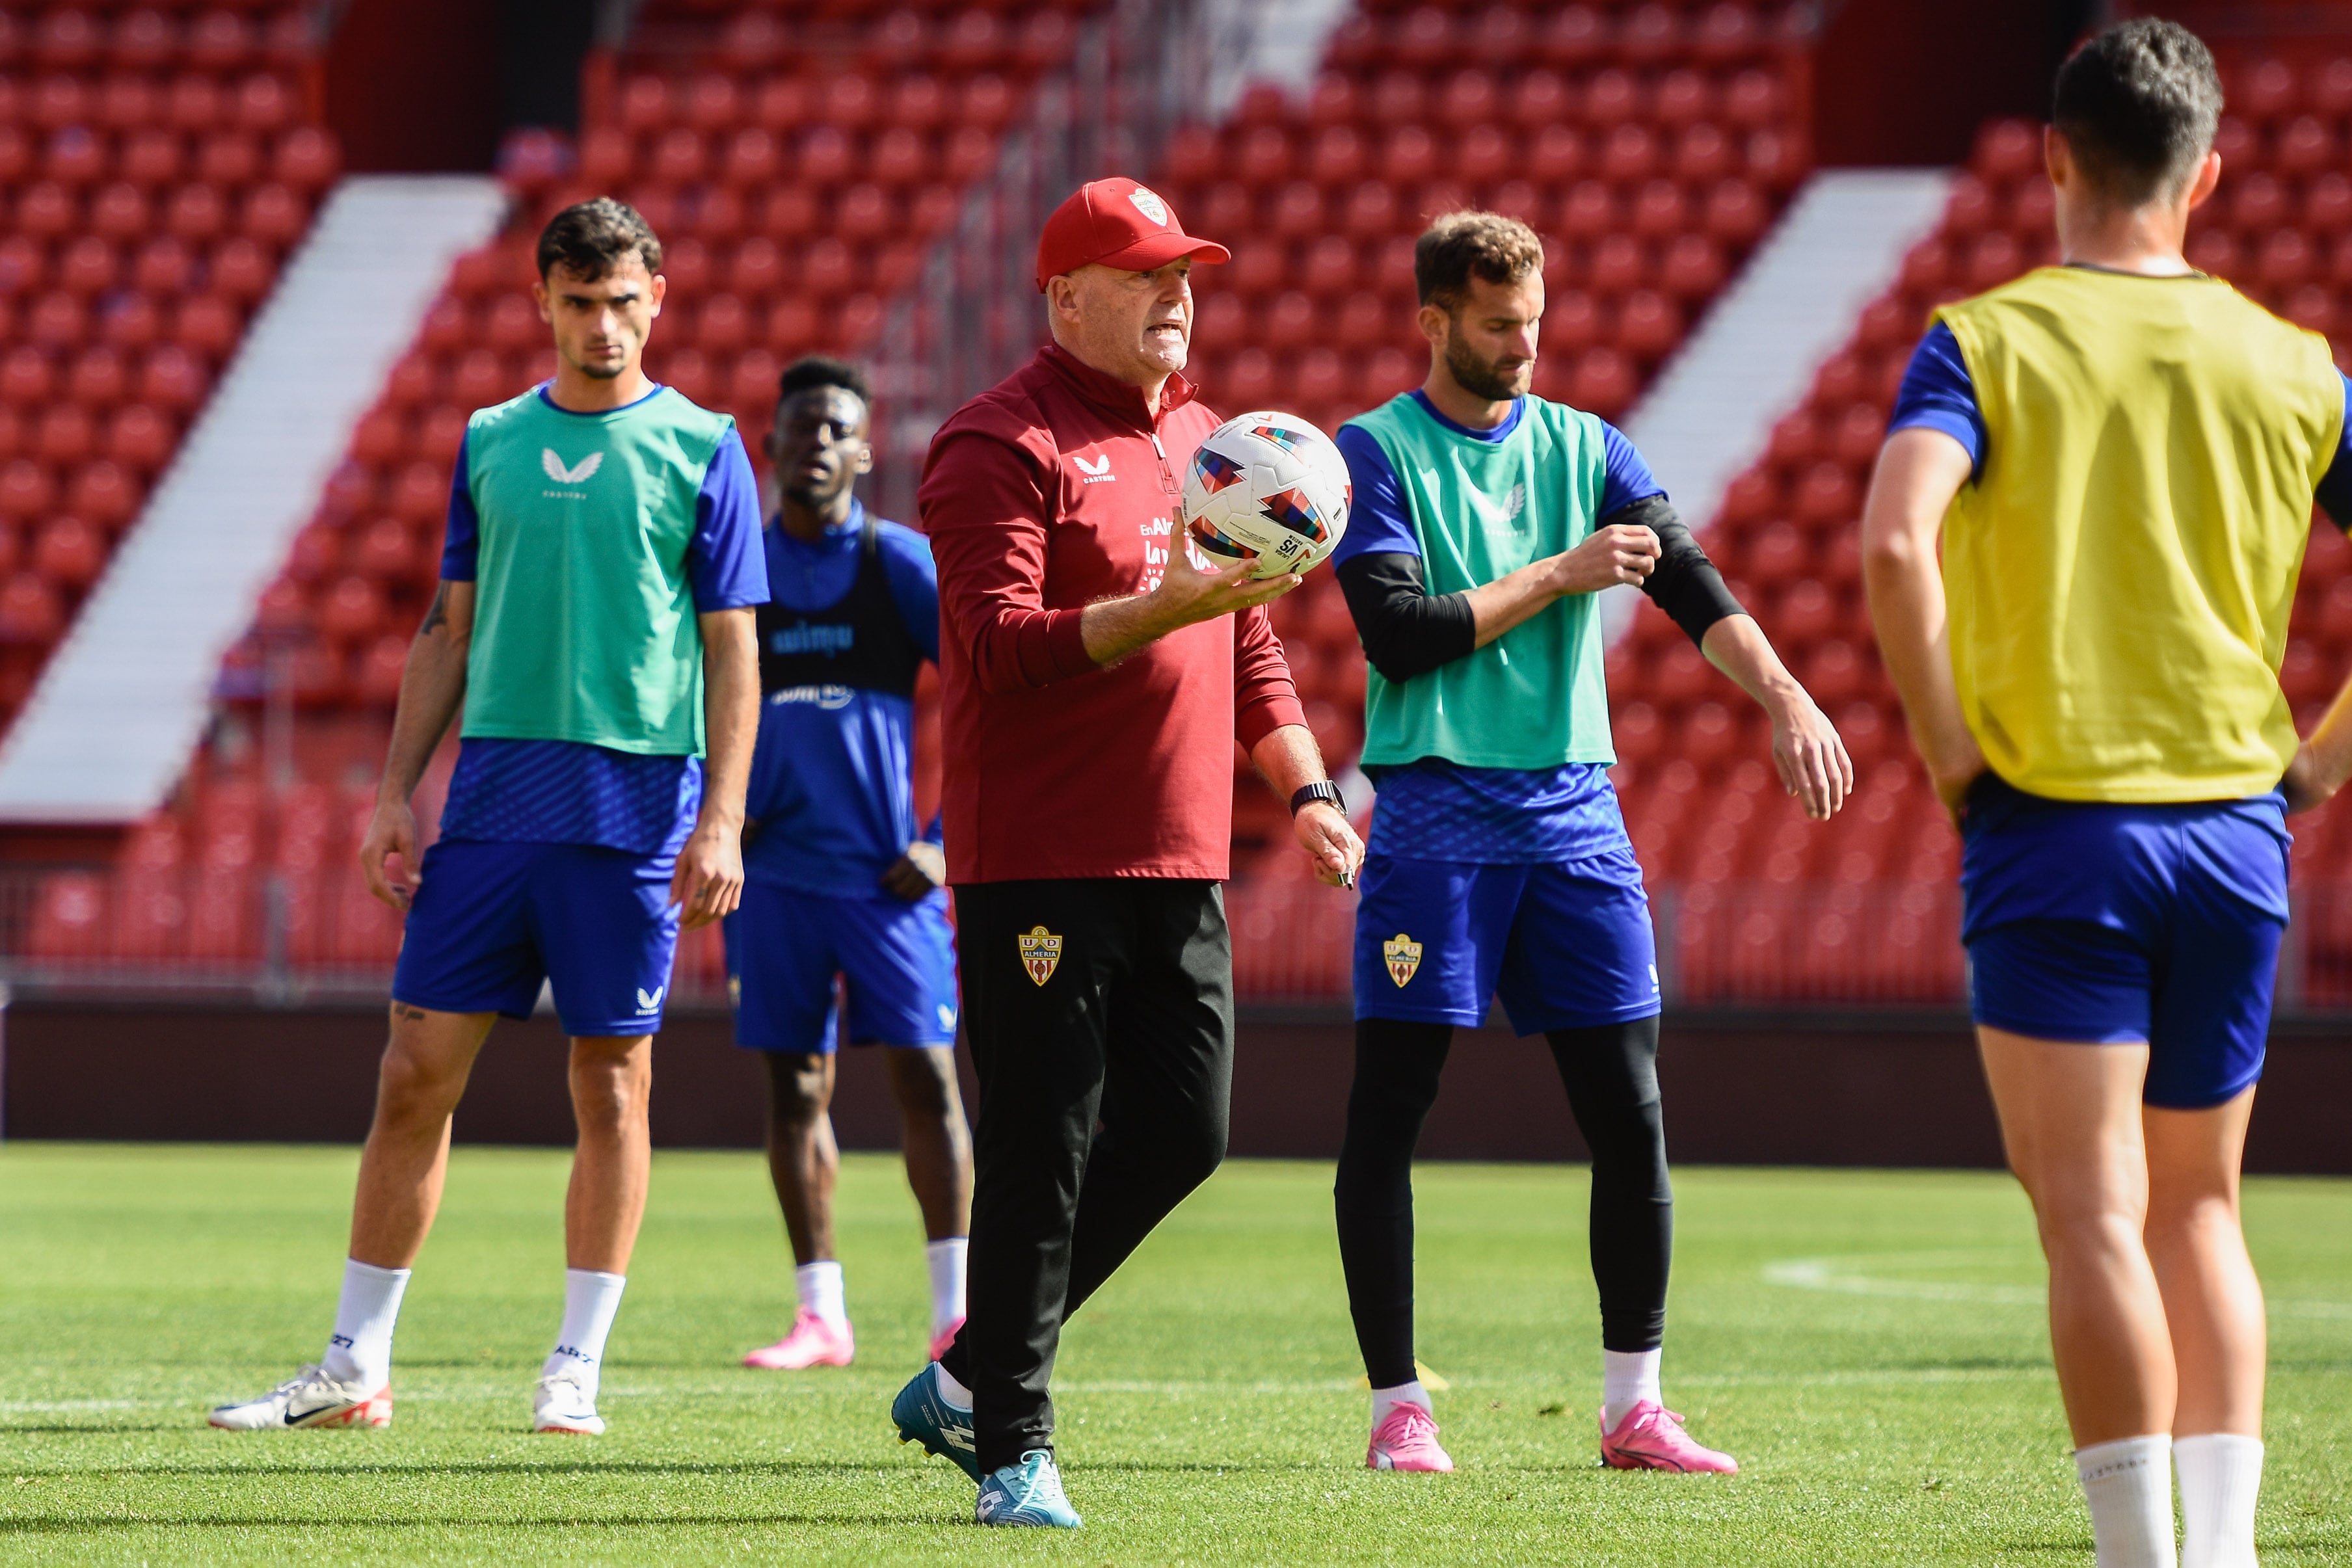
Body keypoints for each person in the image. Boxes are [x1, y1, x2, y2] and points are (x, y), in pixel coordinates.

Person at [1864, 21, 2352, 1568]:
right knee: (2199, 1209)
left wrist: (1949, 752)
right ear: (2205, 173)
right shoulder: (2293, 364)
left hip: (2055, 824)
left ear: (2054, 160)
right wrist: (2319, 765)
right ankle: (2222, 1555)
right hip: (2233, 826)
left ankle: (2138, 1562)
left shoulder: (1983, 341)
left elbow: (1889, 545)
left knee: (2090, 1214)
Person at [208, 198, 765, 1438]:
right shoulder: (491, 440)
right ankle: (356, 1364)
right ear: (542, 303)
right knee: (413, 1074)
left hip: (634, 805)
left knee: (611, 1080)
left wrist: (723, 816)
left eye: (625, 302)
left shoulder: (706, 445)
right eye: (580, 303)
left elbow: (735, 652)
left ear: (657, 301)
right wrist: (395, 793)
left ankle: (575, 1364)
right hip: (496, 801)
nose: (604, 325)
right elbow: (446, 631)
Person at [1330, 211, 1851, 1475]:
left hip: (1572, 815)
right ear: (1434, 320)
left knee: (1627, 1112)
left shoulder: (1587, 445)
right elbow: (1400, 635)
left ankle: (1635, 1407)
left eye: (1534, 321)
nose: (1524, 344)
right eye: (1499, 323)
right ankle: (1399, 1406)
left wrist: (1783, 693)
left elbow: (1691, 585)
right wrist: (1561, 575)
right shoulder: (1373, 452)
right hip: (1437, 814)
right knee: (1390, 1115)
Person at [885, 176, 1365, 1529]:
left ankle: (971, 1369)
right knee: (1042, 1148)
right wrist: (1151, 606)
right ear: (1066, 299)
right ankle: (1011, 1446)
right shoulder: (993, 444)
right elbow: (989, 645)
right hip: (1038, 862)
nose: (1178, 297)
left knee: (1186, 1132)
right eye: (1147, 274)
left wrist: (1308, 787)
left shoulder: (1210, 437)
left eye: (1186, 274)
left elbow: (1249, 637)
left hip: (1181, 854)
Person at [727, 354, 973, 1372]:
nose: (817, 444)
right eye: (801, 427)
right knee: (794, 1090)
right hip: (774, 877)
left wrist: (943, 839)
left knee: (926, 1079)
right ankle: (820, 1313)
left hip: (888, 879)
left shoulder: (898, 565)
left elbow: (991, 700)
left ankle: (958, 1312)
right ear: (772, 445)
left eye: (837, 428)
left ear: (864, 449)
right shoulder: (738, 571)